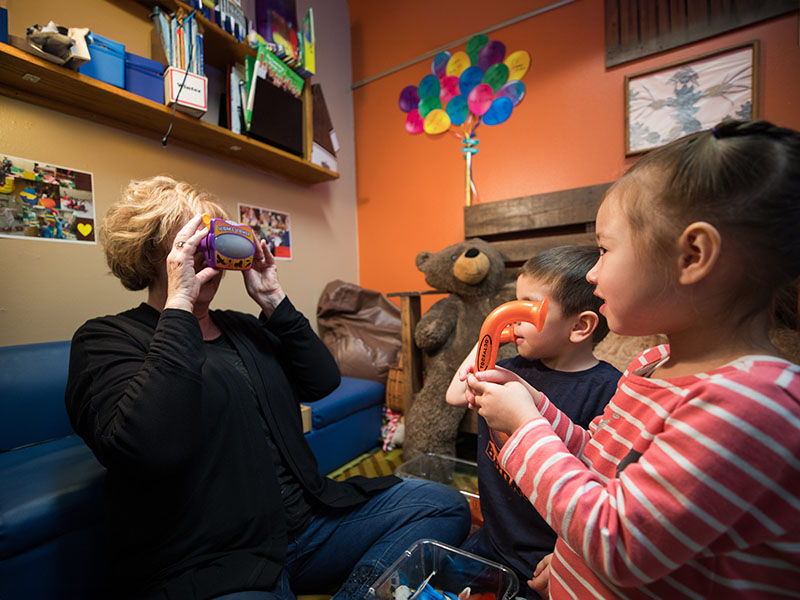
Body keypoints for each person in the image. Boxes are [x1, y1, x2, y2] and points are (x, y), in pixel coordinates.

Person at [65, 176, 470, 600]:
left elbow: (321, 381)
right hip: (214, 557)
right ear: (153, 253)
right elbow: (148, 444)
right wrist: (180, 304)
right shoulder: (105, 339)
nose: (211, 259)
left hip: (309, 525)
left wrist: (273, 297)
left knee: (443, 505)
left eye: (215, 243)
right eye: (194, 243)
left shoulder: (240, 328)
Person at [465, 120, 800, 599]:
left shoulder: (751, 404)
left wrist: (522, 429)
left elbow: (619, 541)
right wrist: (535, 408)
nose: (594, 273)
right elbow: (598, 468)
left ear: (693, 255)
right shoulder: (652, 365)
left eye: (604, 250)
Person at [446, 246, 620, 598]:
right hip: (494, 539)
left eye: (524, 308)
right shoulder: (508, 369)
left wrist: (566, 558)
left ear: (580, 325)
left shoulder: (609, 389)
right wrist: (490, 337)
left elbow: (599, 482)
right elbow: (454, 396)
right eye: (510, 305)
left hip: (546, 556)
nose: (509, 318)